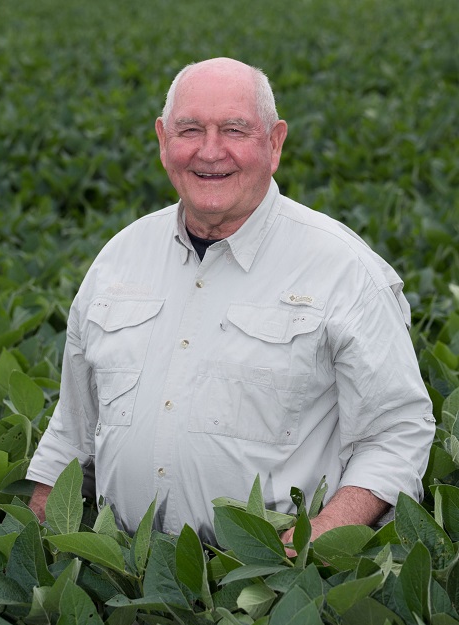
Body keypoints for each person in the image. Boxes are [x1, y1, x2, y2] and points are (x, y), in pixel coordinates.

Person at [26, 57, 435, 547]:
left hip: (272, 583)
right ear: (163, 140)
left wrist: (315, 544)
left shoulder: (345, 271)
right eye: (190, 129)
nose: (210, 151)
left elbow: (397, 434)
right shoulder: (118, 259)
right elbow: (73, 431)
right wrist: (44, 550)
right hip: (122, 574)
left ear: (275, 142)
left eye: (235, 130)